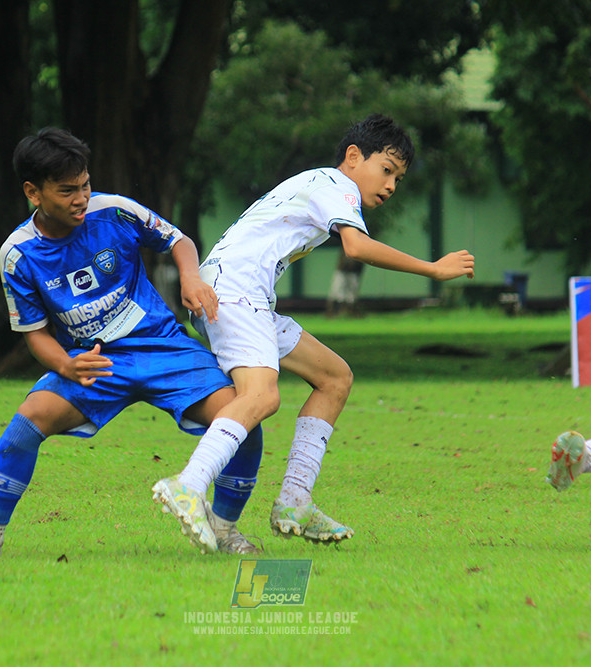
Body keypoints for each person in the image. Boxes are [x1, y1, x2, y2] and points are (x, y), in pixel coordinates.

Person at [0, 127, 264, 559]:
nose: (81, 198)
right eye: (66, 191)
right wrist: (65, 366)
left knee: (242, 418)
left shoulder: (114, 211)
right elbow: (35, 334)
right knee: (24, 425)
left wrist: (190, 277)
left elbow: (179, 241)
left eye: (85, 185)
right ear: (33, 192)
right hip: (94, 363)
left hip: (163, 346)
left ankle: (226, 531)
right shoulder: (18, 254)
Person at [161, 114, 475, 544]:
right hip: (233, 295)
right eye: (386, 170)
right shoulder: (336, 186)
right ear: (352, 157)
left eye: (398, 179)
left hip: (240, 296)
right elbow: (357, 246)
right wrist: (432, 270)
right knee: (261, 396)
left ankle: (295, 500)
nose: (390, 186)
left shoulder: (320, 185)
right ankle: (188, 485)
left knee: (334, 377)